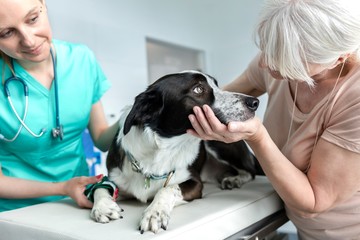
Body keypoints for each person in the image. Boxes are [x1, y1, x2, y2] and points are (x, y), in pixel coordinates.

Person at [187, 0, 360, 239]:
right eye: (266, 49)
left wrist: (257, 136)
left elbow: (314, 201)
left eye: (284, 59)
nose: (264, 63)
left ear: (338, 59)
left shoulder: (355, 98)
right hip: (304, 231)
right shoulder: (273, 58)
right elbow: (216, 102)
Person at [0, 0, 119, 212]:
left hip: (79, 203)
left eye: (33, 19)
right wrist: (63, 187)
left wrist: (133, 116)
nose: (28, 41)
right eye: (6, 33)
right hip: (16, 213)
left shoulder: (82, 59)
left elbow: (101, 138)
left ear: (43, 4)